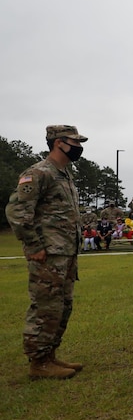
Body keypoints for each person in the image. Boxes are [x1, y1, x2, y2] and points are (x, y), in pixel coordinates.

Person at [5, 125, 88, 379]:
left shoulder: (65, 174)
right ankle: (38, 362)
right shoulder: (39, 173)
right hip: (48, 253)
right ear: (58, 142)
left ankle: (50, 355)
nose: (78, 147)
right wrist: (34, 246)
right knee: (45, 306)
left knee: (62, 306)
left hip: (65, 252)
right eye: (74, 142)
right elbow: (17, 212)